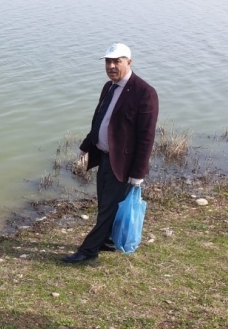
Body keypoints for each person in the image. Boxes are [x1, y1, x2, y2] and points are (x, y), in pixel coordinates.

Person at [63, 43, 159, 263]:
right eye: (108, 61)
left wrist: (138, 173)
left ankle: (89, 251)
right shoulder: (109, 87)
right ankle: (107, 241)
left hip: (124, 164)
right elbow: (99, 120)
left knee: (108, 208)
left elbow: (146, 137)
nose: (112, 66)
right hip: (105, 157)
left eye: (117, 61)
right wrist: (86, 145)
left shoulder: (145, 93)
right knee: (104, 203)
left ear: (129, 62)